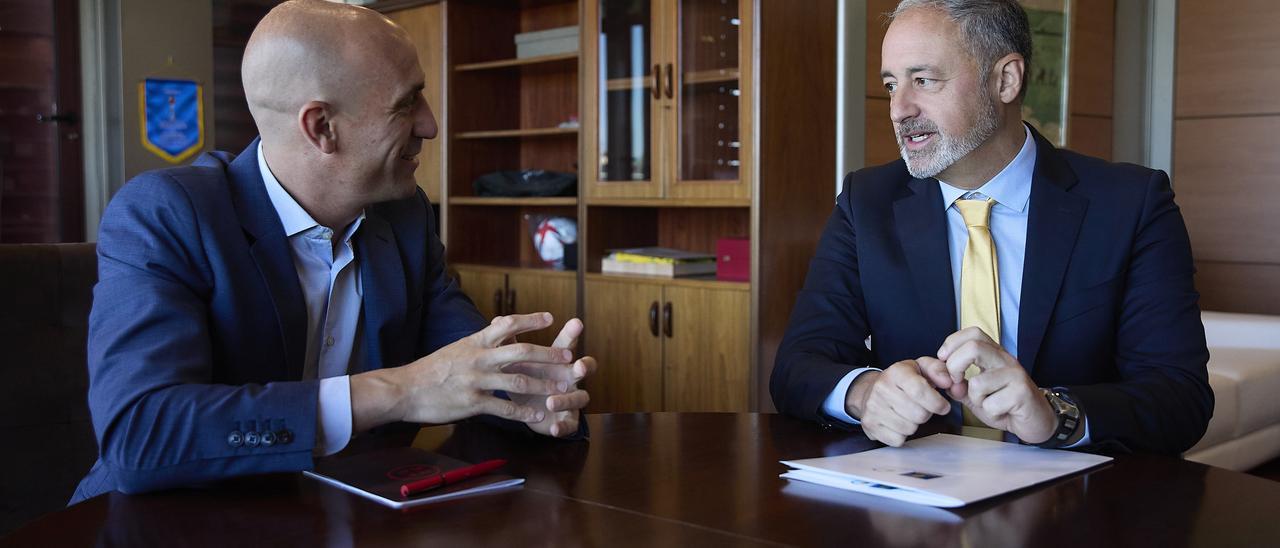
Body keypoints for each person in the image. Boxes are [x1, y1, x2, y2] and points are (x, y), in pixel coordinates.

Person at [71, 0, 597, 502]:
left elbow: (466, 371)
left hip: (346, 519)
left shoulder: (406, 217)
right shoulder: (167, 214)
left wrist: (535, 396)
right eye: (407, 102)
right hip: (160, 525)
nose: (430, 125)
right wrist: (400, 390)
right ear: (322, 127)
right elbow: (142, 435)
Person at [771, 0, 1211, 455]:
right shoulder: (867, 202)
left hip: (1077, 505)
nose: (899, 109)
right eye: (890, 85)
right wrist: (865, 394)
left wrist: (1055, 414)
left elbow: (1181, 397)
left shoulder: (1130, 203)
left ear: (1005, 80)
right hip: (914, 500)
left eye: (923, 80)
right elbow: (797, 366)